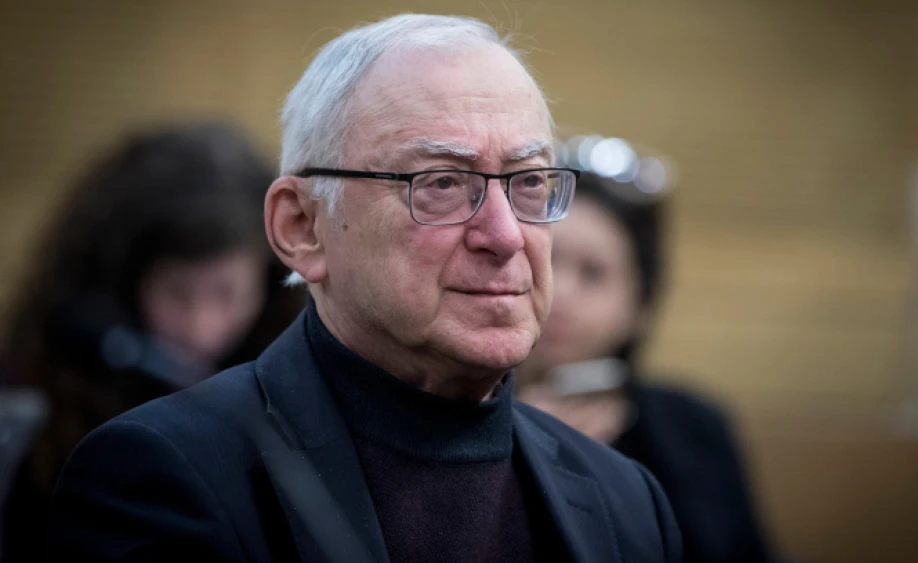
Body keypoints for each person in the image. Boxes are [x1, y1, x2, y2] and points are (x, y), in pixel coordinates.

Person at [46, 14, 683, 563]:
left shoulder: (625, 498)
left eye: (529, 182)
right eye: (440, 183)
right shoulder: (163, 475)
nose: (505, 235)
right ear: (302, 227)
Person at [0, 122, 304, 562]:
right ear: (123, 283)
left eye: (227, 293)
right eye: (178, 293)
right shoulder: (37, 404)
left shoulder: (288, 382)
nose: (203, 329)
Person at [517, 154, 777, 562]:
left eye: (594, 273)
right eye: (549, 260)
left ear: (640, 307)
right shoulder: (463, 420)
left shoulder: (692, 428)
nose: (561, 292)